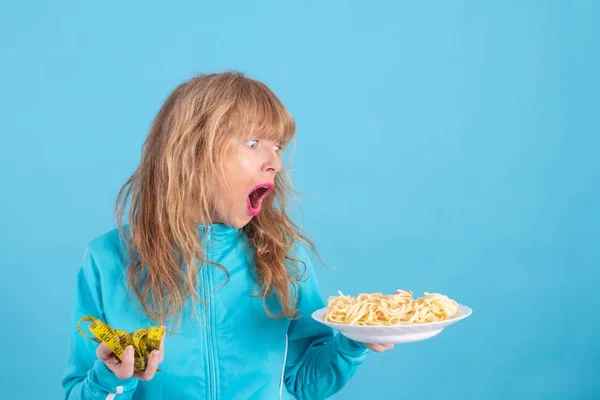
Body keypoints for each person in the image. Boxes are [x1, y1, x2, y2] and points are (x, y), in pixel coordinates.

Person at [61, 71, 394, 400]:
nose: (275, 162)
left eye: (277, 146)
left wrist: (353, 342)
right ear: (192, 150)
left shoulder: (283, 255)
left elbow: (304, 384)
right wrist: (111, 379)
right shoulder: (107, 259)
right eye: (253, 143)